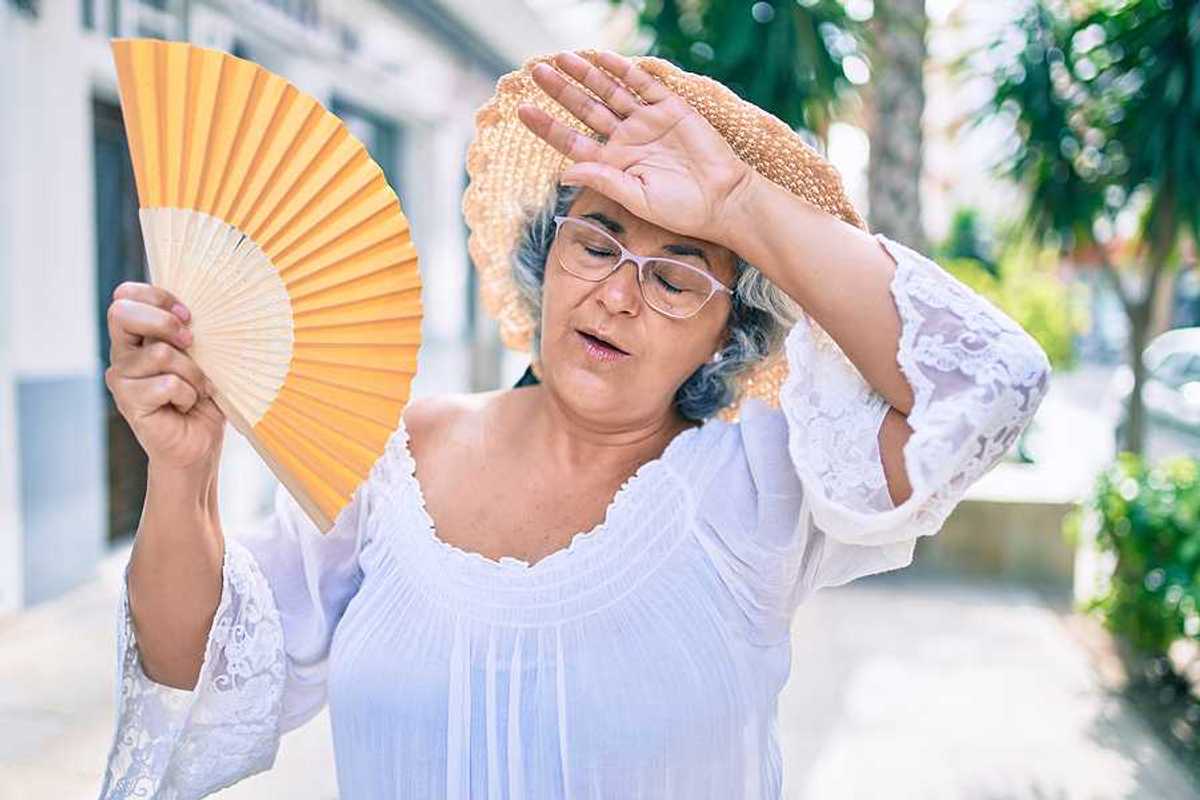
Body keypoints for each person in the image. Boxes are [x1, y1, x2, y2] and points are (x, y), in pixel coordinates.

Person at [97, 50, 1051, 799]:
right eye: (596, 241)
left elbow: (992, 382)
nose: (619, 295)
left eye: (678, 277)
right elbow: (192, 673)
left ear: (730, 332)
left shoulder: (764, 485)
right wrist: (180, 476)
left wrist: (736, 204)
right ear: (546, 258)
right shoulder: (393, 456)